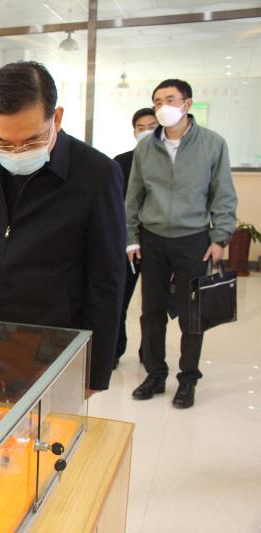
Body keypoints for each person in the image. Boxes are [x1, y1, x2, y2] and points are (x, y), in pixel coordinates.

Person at [0, 61, 125, 394]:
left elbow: (107, 281)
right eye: (3, 142)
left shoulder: (96, 174)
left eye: (33, 140)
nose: (17, 152)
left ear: (57, 118)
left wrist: (94, 372)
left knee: (44, 428)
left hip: (50, 346)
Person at [126, 79, 237, 408]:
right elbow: (133, 198)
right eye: (157, 101)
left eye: (170, 100)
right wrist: (131, 239)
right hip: (153, 239)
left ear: (187, 104)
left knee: (192, 315)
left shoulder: (212, 144)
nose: (163, 107)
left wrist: (220, 238)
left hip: (194, 240)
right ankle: (155, 374)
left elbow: (223, 193)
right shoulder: (145, 148)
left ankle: (188, 379)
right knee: (152, 312)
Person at [112, 107, 157, 368]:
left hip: (157, 241)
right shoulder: (121, 162)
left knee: (153, 306)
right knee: (119, 299)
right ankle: (114, 351)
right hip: (126, 242)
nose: (146, 132)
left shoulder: (169, 162)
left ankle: (149, 354)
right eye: (141, 128)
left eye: (152, 127)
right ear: (134, 132)